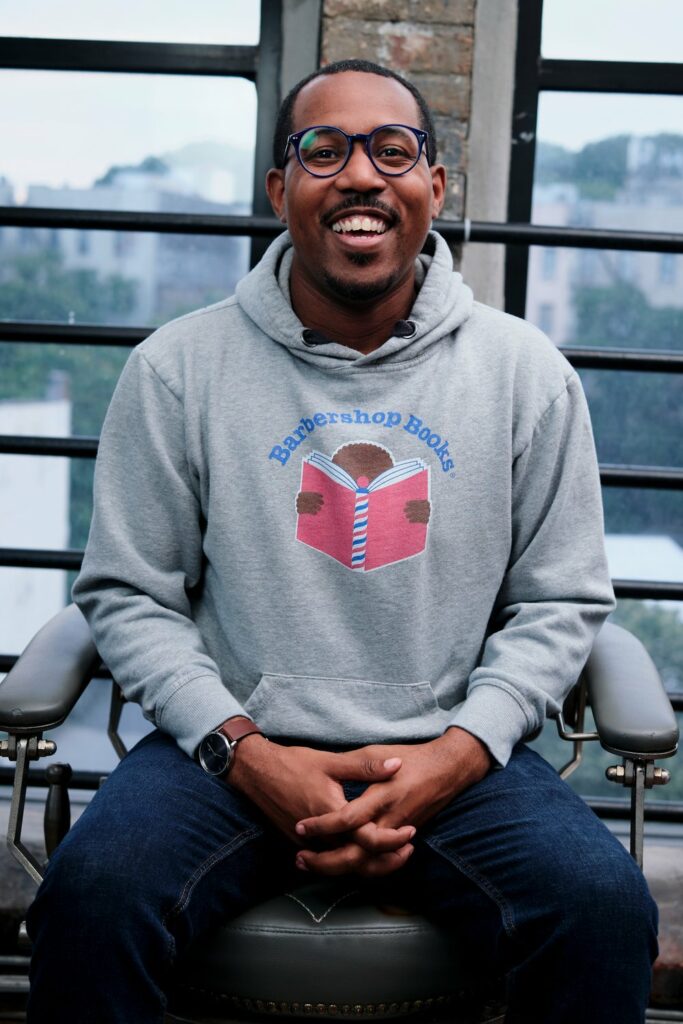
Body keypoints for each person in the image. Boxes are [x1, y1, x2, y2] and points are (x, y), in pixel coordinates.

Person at [26, 59, 657, 1023]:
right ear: (281, 189)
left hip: (450, 753)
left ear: (433, 188)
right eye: (323, 151)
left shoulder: (523, 373)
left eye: (391, 150)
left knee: (601, 909)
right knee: (89, 900)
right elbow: (129, 594)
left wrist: (457, 752)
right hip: (231, 754)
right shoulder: (178, 369)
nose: (359, 176)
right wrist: (245, 753)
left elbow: (559, 598)